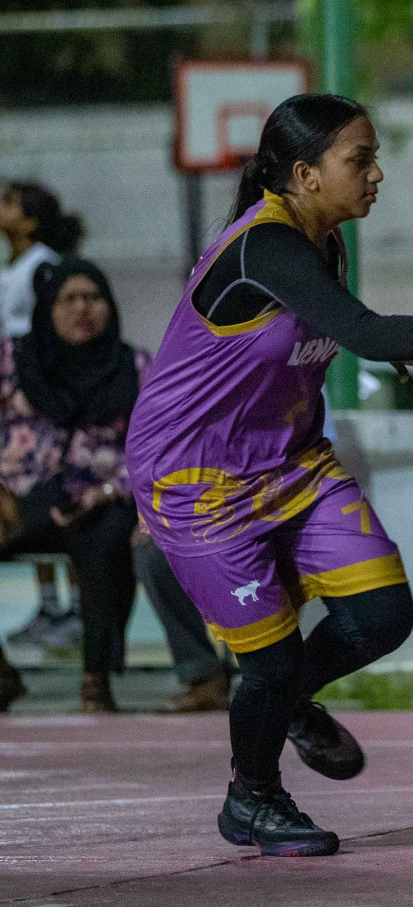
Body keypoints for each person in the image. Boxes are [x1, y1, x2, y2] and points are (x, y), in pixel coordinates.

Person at [126, 93, 413, 857]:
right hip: (197, 479)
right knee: (269, 661)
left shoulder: (322, 240)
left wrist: (405, 346)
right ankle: (252, 798)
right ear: (306, 173)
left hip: (289, 464)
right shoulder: (265, 246)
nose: (377, 174)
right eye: (361, 160)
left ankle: (290, 699)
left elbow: (337, 330)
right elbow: (366, 330)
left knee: (383, 617)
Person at [0, 257, 149, 712]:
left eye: (94, 297)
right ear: (46, 307)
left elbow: (158, 448)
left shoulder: (135, 366)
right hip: (19, 495)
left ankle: (95, 680)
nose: (83, 309)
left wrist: (109, 490)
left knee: (107, 546)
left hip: (100, 498)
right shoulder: (13, 358)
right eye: (69, 299)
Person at [0, 180, 84, 652]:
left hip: (43, 398)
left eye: (8, 203)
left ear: (29, 220)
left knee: (58, 493)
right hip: (14, 400)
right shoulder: (13, 267)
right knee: (22, 495)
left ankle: (72, 605)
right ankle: (51, 603)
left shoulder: (44, 268)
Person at [133, 532, 232, 713]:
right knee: (152, 550)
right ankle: (203, 676)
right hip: (188, 521)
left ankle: (275, 671)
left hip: (238, 516)